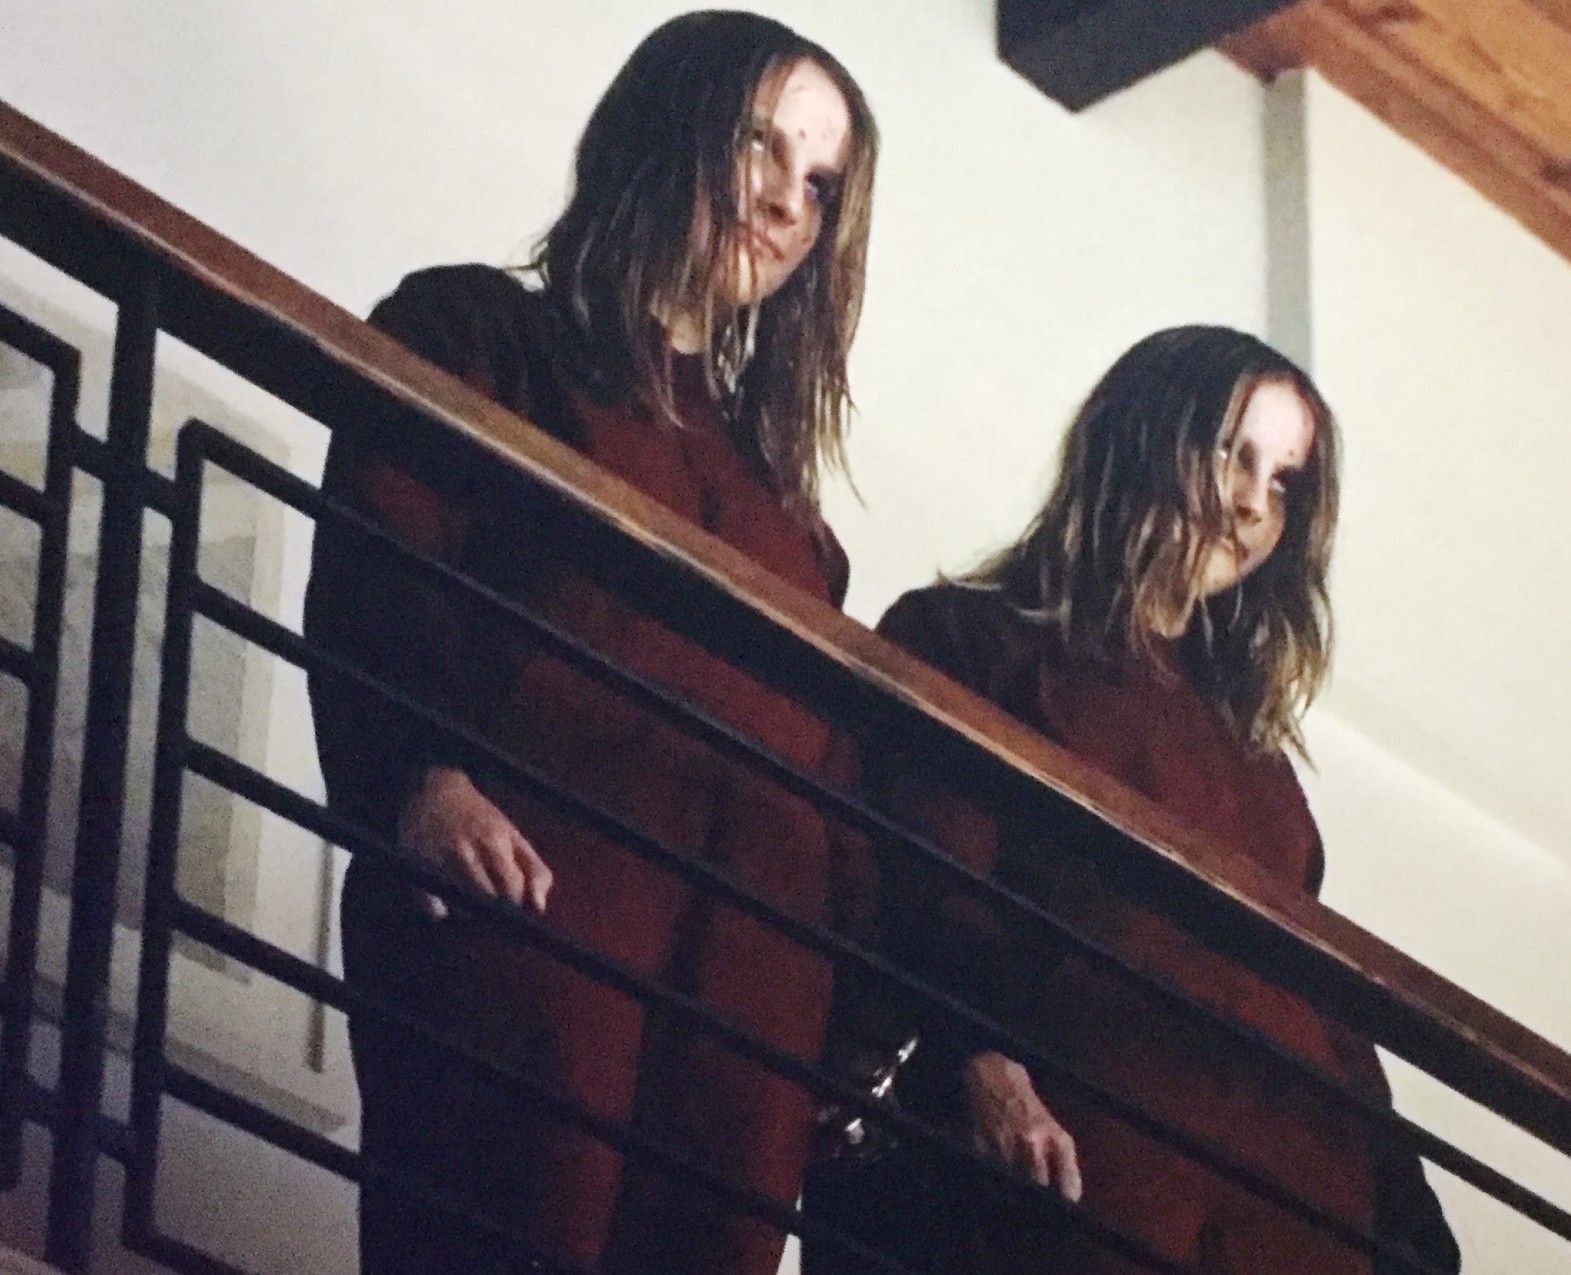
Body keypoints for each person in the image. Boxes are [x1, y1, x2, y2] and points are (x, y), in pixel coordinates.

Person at [303, 12, 878, 1275]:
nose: (789, 201)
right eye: (761, 147)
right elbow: (381, 563)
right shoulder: (479, 337)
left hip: (744, 1012)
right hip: (535, 910)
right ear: (667, 131)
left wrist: (835, 1035)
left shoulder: (792, 525)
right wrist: (417, 771)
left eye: (823, 183)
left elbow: (833, 795)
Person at [809, 327, 1457, 1273]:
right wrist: (980, 1057)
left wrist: (1413, 1222)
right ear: (1147, 438)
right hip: (1090, 1176)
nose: (1251, 503)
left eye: (1283, 480)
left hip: (1293, 1210)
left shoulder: (1265, 776)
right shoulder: (973, 641)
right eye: (1234, 453)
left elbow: (1324, 1011)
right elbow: (932, 876)